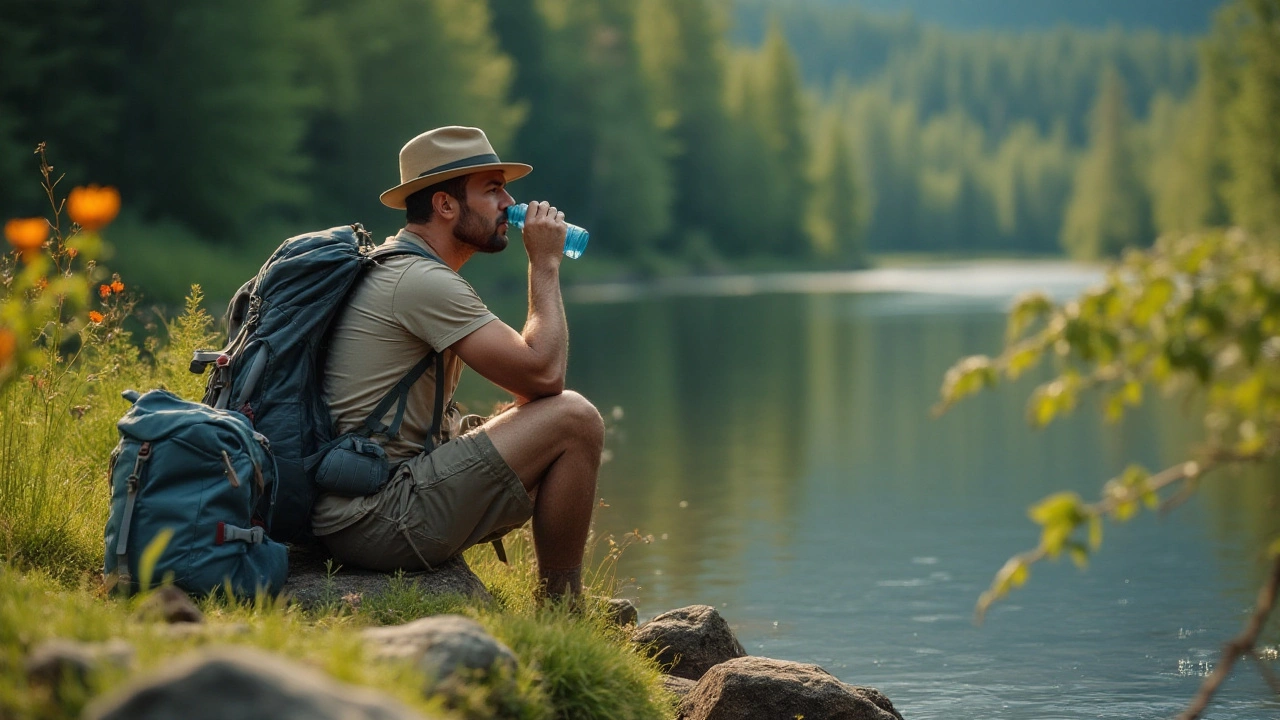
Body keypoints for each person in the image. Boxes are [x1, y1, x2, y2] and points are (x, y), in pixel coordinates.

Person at [312, 126, 603, 602]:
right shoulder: (421, 281)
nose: (510, 203)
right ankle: (563, 614)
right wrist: (545, 266)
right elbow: (546, 378)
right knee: (576, 419)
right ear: (446, 205)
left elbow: (531, 397)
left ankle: (560, 609)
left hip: (357, 503)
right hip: (373, 517)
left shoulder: (400, 265)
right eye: (492, 190)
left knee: (553, 423)